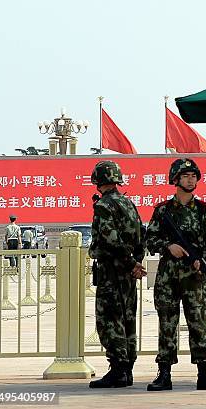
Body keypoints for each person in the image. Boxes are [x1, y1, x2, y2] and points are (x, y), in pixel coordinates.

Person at [146, 158, 206, 391]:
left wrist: (203, 260)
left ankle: (203, 373)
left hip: (194, 278)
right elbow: (150, 239)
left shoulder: (203, 211)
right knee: (167, 324)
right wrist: (168, 246)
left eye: (193, 176)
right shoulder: (163, 211)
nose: (191, 179)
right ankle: (164, 373)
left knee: (198, 323)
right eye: (186, 176)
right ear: (175, 180)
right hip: (168, 276)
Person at [88, 160, 146, 389]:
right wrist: (135, 262)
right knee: (127, 317)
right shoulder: (128, 203)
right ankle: (127, 368)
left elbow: (110, 238)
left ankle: (118, 369)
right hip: (128, 272)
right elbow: (142, 234)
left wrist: (129, 262)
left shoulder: (103, 206)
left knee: (109, 319)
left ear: (98, 181)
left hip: (112, 271)